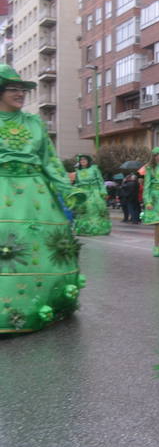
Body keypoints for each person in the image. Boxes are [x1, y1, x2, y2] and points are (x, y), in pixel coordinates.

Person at [0, 64, 86, 334]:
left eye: (22, 90)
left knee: (40, 250)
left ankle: (44, 304)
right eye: (13, 89)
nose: (20, 94)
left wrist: (69, 190)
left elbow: (49, 161)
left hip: (36, 193)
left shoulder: (34, 123)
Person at [71, 154, 112, 236]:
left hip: (94, 192)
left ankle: (97, 229)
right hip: (83, 193)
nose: (83, 161)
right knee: (83, 210)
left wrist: (103, 192)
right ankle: (84, 229)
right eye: (81, 160)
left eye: (84, 160)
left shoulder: (94, 169)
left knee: (95, 209)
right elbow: (77, 184)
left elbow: (100, 181)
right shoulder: (78, 171)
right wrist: (74, 191)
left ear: (88, 161)